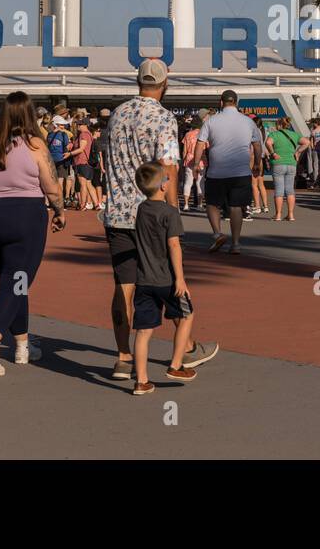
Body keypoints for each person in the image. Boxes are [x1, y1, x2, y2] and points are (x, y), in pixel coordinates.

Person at [102, 59, 217, 381]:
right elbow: (169, 165)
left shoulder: (117, 115)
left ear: (137, 82)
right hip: (150, 213)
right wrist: (173, 207)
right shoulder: (163, 118)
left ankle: (124, 356)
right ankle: (185, 348)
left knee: (123, 286)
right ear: (165, 85)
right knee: (165, 280)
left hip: (118, 212)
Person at [0, 91, 65, 375]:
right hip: (25, 217)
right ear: (29, 114)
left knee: (15, 281)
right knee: (15, 282)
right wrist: (59, 210)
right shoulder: (35, 144)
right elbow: (52, 186)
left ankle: (22, 345)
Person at [129, 161, 198, 395]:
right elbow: (174, 245)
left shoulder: (141, 209)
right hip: (166, 278)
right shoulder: (170, 213)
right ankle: (176, 364)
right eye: (166, 180)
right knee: (187, 315)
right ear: (161, 187)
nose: (169, 182)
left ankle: (141, 381)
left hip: (143, 279)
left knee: (143, 331)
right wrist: (180, 279)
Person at [196, 89, 263, 254]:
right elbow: (257, 145)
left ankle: (218, 234)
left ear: (221, 102)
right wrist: (257, 164)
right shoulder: (248, 122)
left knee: (212, 204)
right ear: (237, 102)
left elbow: (200, 143)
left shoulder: (211, 121)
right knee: (236, 207)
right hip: (241, 172)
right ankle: (236, 243)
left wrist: (196, 163)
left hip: (217, 171)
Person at [268, 116, 305, 221]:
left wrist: (273, 153)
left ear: (279, 125)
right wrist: (298, 152)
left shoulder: (274, 134)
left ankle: (278, 215)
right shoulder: (294, 135)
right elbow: (307, 142)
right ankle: (291, 214)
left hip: (278, 163)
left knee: (279, 190)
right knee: (290, 190)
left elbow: (268, 143)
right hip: (291, 163)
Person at [180, 114, 206, 211]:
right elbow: (206, 148)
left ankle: (186, 204)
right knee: (200, 183)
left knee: (188, 182)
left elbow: (184, 150)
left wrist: (184, 160)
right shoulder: (204, 134)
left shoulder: (187, 134)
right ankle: (200, 205)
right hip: (201, 160)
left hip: (189, 159)